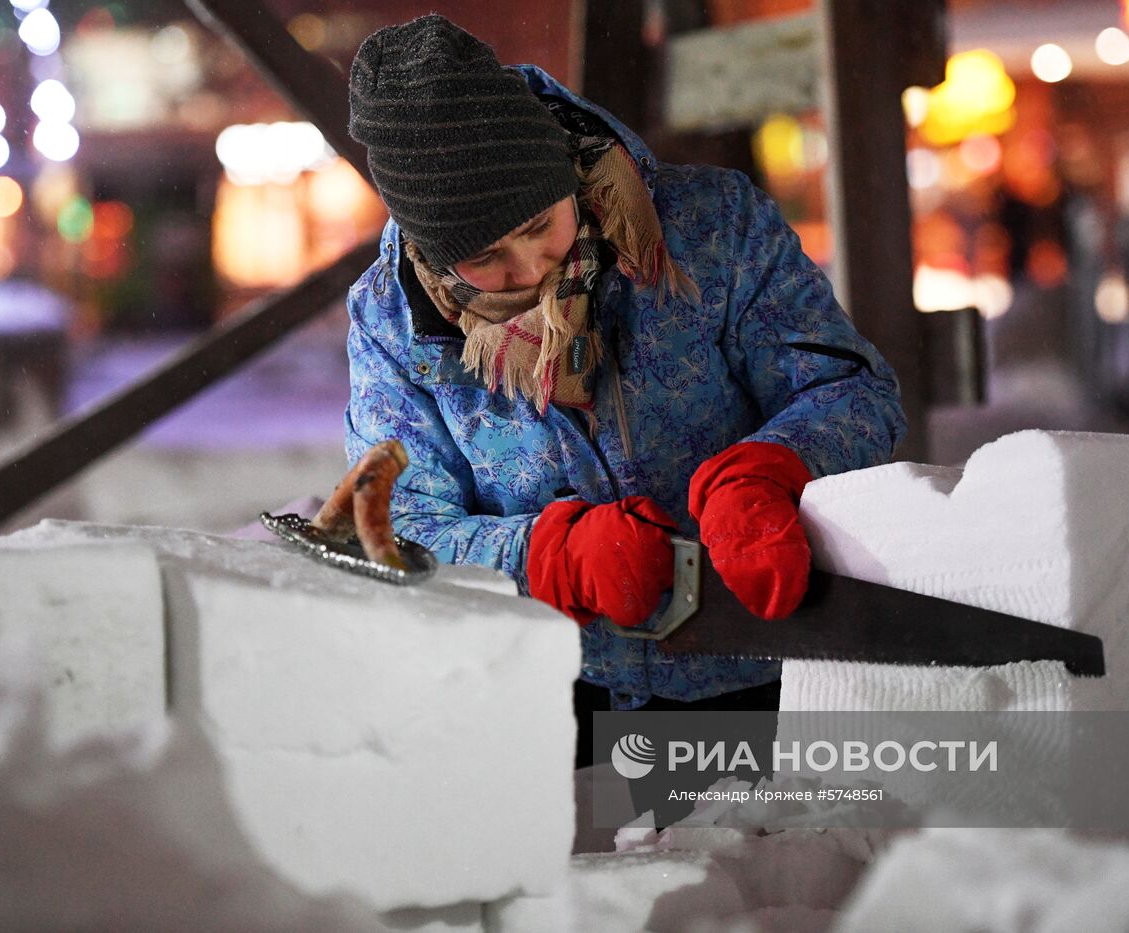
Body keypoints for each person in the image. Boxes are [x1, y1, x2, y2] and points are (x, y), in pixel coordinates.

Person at [343, 15, 905, 755]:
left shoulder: (714, 228)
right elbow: (392, 527)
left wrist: (772, 469)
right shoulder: (391, 318)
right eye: (485, 256)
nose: (532, 265)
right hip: (548, 701)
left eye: (540, 221)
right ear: (432, 252)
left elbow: (852, 390)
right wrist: (546, 555)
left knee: (775, 866)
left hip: (766, 670)